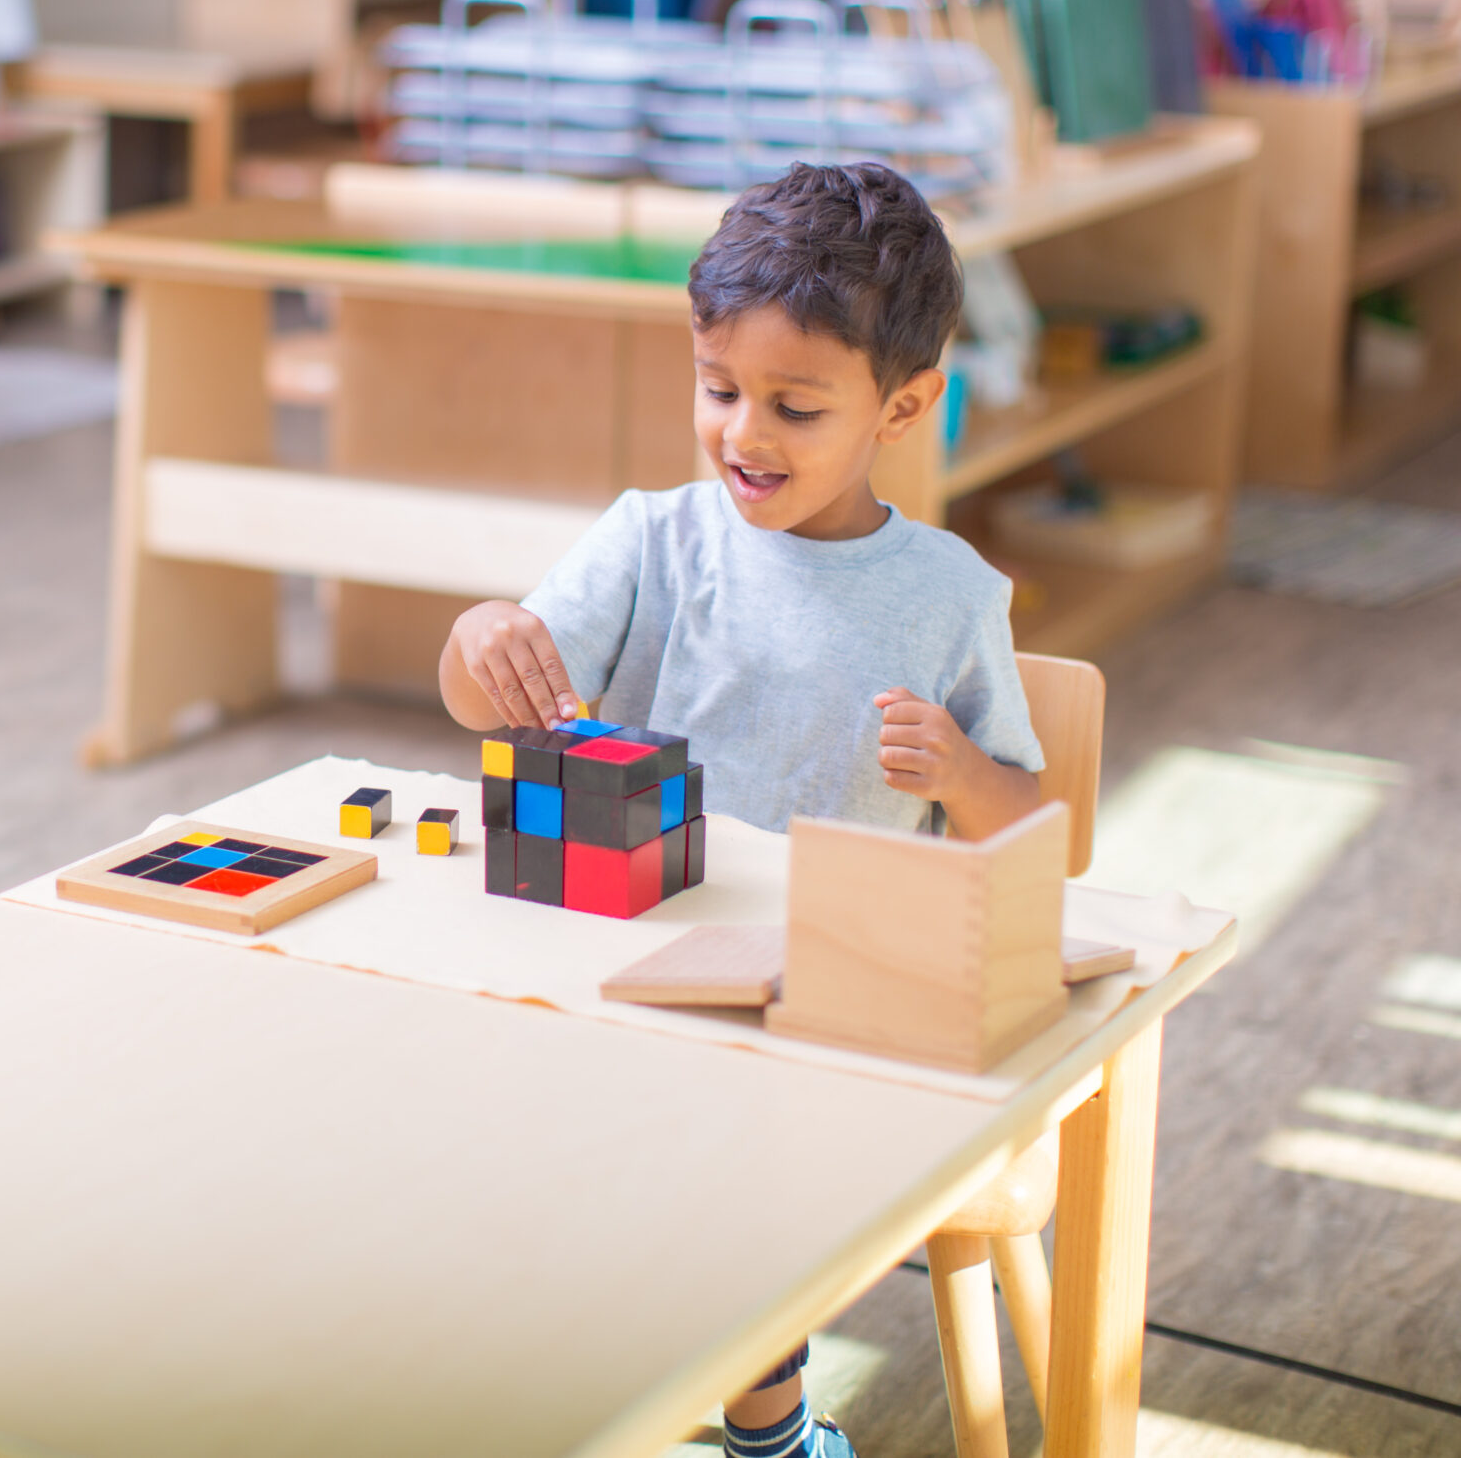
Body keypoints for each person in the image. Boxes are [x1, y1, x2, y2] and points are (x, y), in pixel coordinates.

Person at [437, 161, 1048, 1457]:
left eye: (796, 405)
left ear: (906, 405)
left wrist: (963, 773)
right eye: (719, 390)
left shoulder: (949, 597)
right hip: (616, 957)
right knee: (486, 1114)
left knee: (720, 1162)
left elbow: (1036, 836)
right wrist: (482, 633)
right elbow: (493, 700)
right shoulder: (653, 539)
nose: (743, 436)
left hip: (827, 995)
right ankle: (571, 1386)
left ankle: (765, 1429)